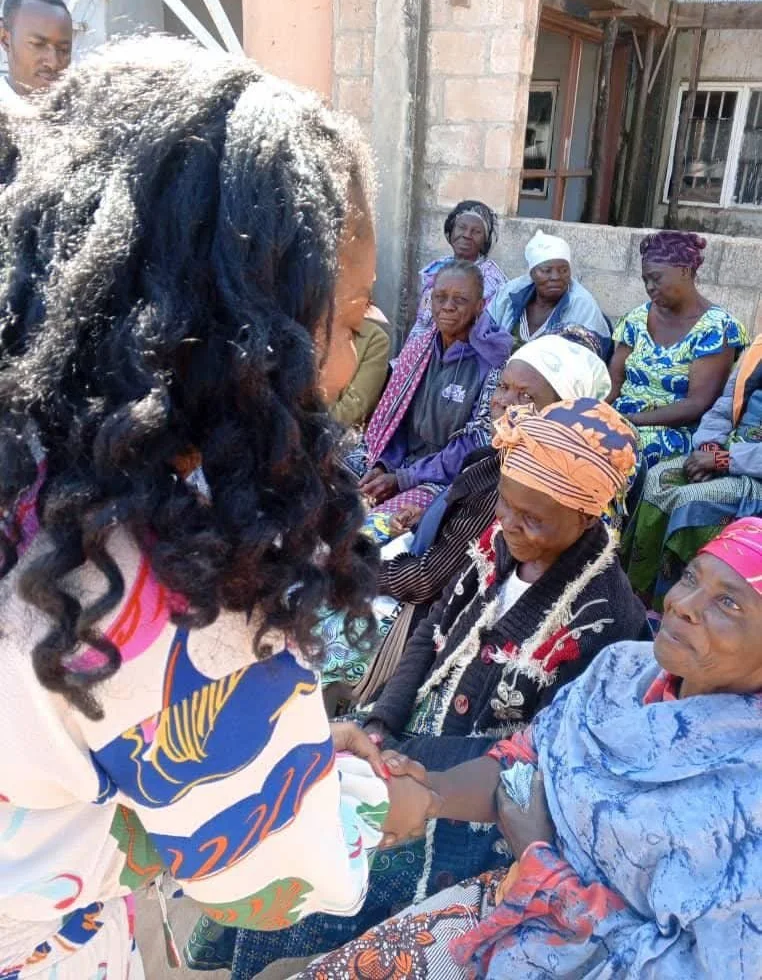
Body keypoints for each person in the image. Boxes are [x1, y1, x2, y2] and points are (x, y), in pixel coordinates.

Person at [0, 36, 440, 979]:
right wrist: (357, 794)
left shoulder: (32, 461)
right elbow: (261, 883)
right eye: (351, 307)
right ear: (243, 329)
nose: (366, 333)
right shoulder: (172, 590)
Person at [227, 398, 648, 980]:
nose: (513, 527)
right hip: (413, 740)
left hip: (487, 796)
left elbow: (546, 756)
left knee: (348, 855)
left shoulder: (605, 616)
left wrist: (411, 768)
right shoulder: (496, 546)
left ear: (586, 515)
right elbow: (430, 635)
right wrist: (381, 722)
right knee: (295, 823)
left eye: (536, 519)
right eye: (507, 504)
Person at [295, 516, 762, 980]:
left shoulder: (749, 799)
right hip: (508, 903)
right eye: (689, 578)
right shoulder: (622, 671)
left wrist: (541, 863)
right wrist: (427, 792)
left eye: (728, 603)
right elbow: (525, 760)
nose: (682, 605)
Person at [342, 330, 613, 705]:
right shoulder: (495, 457)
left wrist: (352, 569)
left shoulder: (513, 487)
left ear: (561, 412)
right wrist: (431, 515)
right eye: (503, 387)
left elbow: (425, 582)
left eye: (527, 396)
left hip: (419, 615)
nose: (504, 402)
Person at [357, 259, 510, 527]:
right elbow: (396, 421)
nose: (447, 306)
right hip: (402, 463)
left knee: (376, 528)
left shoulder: (493, 362)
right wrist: (384, 466)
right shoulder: (419, 349)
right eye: (440, 297)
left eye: (460, 299)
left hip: (446, 479)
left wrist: (405, 478)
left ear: (480, 306)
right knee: (331, 487)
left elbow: (475, 447)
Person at [623, 333, 762, 610]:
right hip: (725, 449)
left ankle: (671, 605)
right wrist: (710, 446)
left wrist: (724, 460)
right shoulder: (758, 350)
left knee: (694, 500)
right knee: (657, 479)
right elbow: (723, 408)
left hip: (754, 472)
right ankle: (634, 590)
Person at [608, 230, 748, 468]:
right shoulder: (637, 318)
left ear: (684, 271)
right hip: (619, 418)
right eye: (645, 281)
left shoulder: (716, 329)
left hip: (671, 429)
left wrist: (631, 421)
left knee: (614, 455)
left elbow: (697, 404)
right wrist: (596, 413)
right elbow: (613, 381)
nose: (650, 287)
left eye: (656, 278)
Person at [488, 229, 611, 355]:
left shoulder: (583, 305)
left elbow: (588, 360)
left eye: (563, 270)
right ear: (532, 274)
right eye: (546, 270)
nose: (556, 277)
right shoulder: (510, 294)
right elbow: (484, 335)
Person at [406, 199, 507, 343]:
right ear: (451, 230)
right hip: (418, 350)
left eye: (476, 231)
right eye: (461, 227)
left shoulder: (491, 278)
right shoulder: (438, 268)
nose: (467, 235)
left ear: (485, 240)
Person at [0, 0, 72, 109]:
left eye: (63, 50)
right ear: (5, 39)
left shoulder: (82, 109)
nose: (54, 63)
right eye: (38, 45)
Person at [329, 302, 390, 428]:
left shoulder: (375, 338)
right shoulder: (309, 327)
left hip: (339, 435)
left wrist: (315, 428)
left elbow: (357, 405)